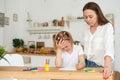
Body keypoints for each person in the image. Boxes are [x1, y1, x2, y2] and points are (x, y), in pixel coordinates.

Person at [82, 2, 114, 79]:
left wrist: (107, 66)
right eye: (85, 17)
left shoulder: (107, 27)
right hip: (86, 65)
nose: (88, 20)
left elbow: (109, 48)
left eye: (90, 16)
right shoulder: (86, 30)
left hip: (100, 66)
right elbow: (83, 49)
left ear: (98, 14)